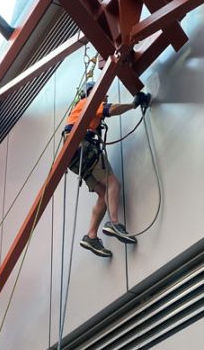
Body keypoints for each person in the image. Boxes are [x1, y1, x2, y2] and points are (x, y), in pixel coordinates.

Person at [63, 80, 151, 258]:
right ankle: (114, 223)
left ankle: (91, 236)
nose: (105, 96)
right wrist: (134, 104)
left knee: (103, 194)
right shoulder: (90, 102)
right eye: (101, 92)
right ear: (91, 92)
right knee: (113, 184)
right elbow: (112, 109)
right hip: (84, 149)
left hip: (74, 159)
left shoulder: (81, 111)